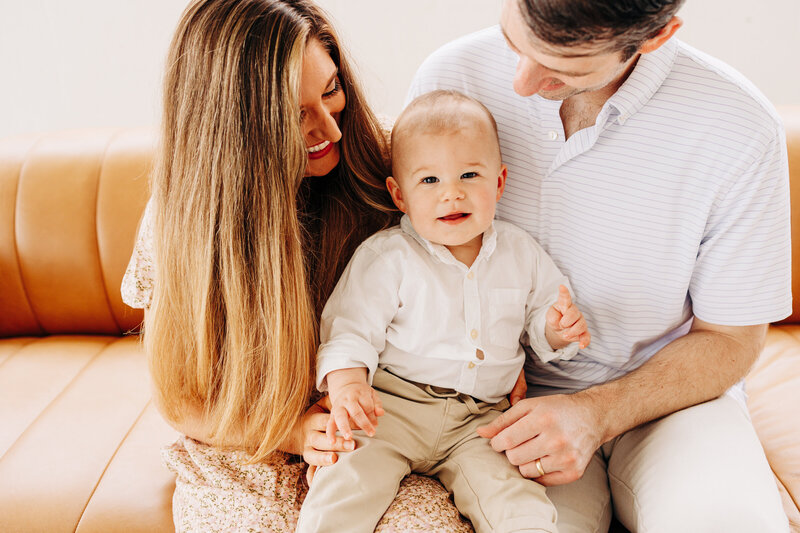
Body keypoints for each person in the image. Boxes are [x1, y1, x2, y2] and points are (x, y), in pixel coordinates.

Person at [407, 1, 792, 532]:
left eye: (562, 68)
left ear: (656, 36)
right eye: (514, 42)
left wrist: (596, 412)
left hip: (672, 398)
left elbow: (731, 338)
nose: (520, 82)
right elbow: (414, 254)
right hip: (496, 399)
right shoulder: (451, 78)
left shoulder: (740, 127)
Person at [121, 1, 473, 531]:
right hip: (247, 452)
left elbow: (473, 266)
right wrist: (290, 432)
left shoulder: (389, 171)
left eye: (331, 90)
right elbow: (180, 401)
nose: (330, 129)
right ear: (230, 129)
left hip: (380, 443)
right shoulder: (179, 220)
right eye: (292, 113)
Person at [297, 90, 590, 533]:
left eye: (469, 175)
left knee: (519, 504)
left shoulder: (521, 253)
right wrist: (348, 384)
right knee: (344, 482)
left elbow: (541, 318)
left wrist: (557, 329)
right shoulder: (387, 256)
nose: (451, 193)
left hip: (482, 419)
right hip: (391, 408)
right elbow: (350, 328)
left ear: (499, 182)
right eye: (429, 181)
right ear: (399, 194)